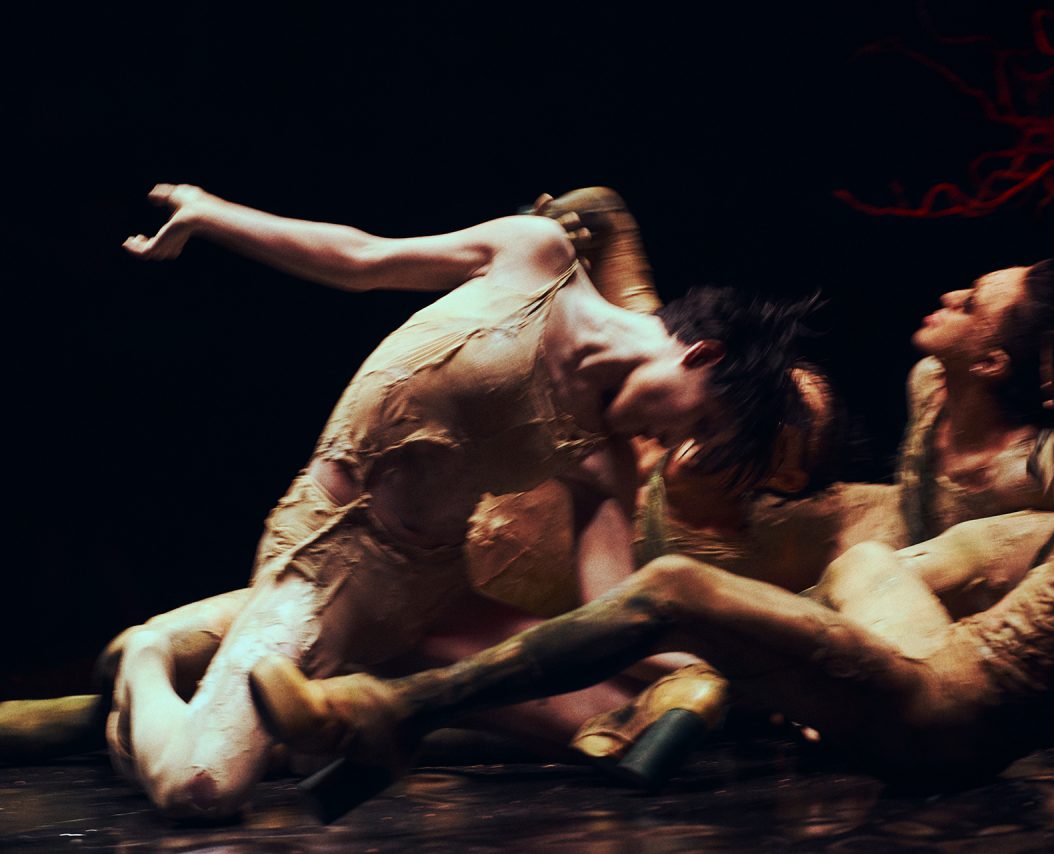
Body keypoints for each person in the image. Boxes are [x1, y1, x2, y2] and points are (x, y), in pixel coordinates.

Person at [250, 286, 1054, 822]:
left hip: (949, 716)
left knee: (675, 586)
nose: (1047, 397)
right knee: (862, 570)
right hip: (949, 657)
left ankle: (389, 716)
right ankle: (712, 687)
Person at [97, 183, 806, 819]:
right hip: (325, 567)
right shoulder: (536, 257)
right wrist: (211, 215)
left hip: (434, 602)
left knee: (627, 723)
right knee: (201, 789)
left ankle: (324, 701)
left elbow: (613, 611)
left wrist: (744, 672)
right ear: (701, 355)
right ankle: (146, 661)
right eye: (701, 422)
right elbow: (361, 257)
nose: (677, 443)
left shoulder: (604, 454)